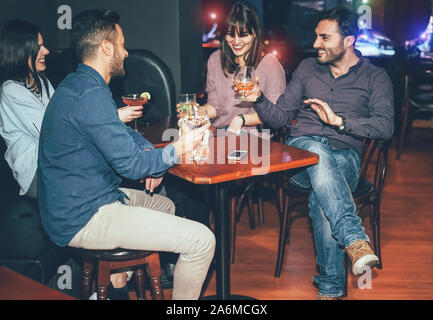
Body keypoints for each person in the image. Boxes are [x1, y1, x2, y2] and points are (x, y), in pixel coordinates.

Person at [38, 9, 215, 300]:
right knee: (203, 241)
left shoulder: (83, 84)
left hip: (86, 200)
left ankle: (115, 283)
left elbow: (128, 137)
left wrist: (154, 161)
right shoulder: (89, 94)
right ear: (106, 48)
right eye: (121, 44)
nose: (126, 52)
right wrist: (178, 149)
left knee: (164, 206)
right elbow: (132, 166)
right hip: (83, 216)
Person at [243, 7, 394, 299]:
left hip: (346, 159)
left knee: (322, 194)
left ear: (349, 40)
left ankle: (331, 289)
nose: (315, 44)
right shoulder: (306, 69)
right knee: (315, 150)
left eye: (324, 37)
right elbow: (280, 118)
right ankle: (354, 240)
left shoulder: (376, 77)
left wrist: (339, 122)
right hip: (300, 155)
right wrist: (258, 99)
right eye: (315, 36)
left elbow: (386, 127)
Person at [0, 20, 143, 200]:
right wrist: (111, 117)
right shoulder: (10, 90)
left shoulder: (41, 81)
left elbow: (67, 117)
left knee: (123, 164)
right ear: (20, 52)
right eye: (38, 47)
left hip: (62, 162)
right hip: (39, 175)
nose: (46, 51)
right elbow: (53, 130)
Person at [199, 0, 286, 134]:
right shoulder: (215, 59)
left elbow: (275, 115)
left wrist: (240, 119)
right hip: (221, 131)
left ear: (255, 33)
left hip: (255, 135)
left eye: (243, 35)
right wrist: (196, 113)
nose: (236, 41)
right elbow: (215, 106)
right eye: (231, 34)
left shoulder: (270, 64)